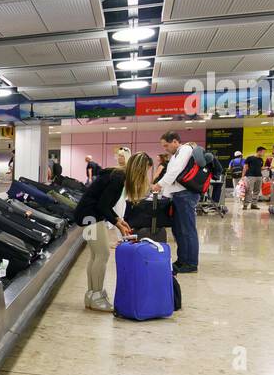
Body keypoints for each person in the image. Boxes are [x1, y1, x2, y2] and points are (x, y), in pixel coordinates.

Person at [74, 151, 152, 313]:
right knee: (102, 255)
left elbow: (104, 204)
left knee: (96, 255)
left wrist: (118, 220)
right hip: (91, 216)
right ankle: (97, 296)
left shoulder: (116, 175)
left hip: (88, 214)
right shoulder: (118, 179)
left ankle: (92, 295)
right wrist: (117, 223)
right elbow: (103, 205)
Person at [151, 131, 200, 275]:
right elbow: (170, 173)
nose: (165, 149)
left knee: (187, 230)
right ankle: (182, 260)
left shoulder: (185, 150)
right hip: (178, 195)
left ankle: (191, 263)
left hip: (186, 195)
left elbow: (174, 172)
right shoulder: (176, 154)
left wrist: (159, 185)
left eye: (166, 145)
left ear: (175, 141)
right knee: (178, 230)